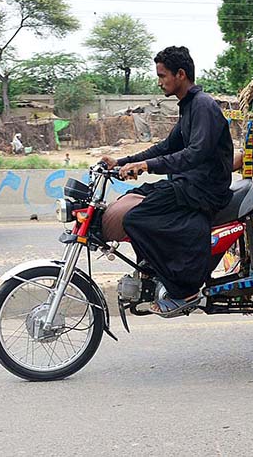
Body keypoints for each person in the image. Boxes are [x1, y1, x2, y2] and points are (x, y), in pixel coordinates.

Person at [101, 46, 234, 316]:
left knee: (136, 218)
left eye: (162, 75)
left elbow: (194, 155)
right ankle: (154, 272)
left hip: (205, 190)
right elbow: (165, 147)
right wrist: (124, 162)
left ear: (180, 74)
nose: (159, 81)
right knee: (136, 197)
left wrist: (147, 166)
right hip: (189, 185)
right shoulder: (188, 107)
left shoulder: (204, 106)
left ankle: (184, 289)